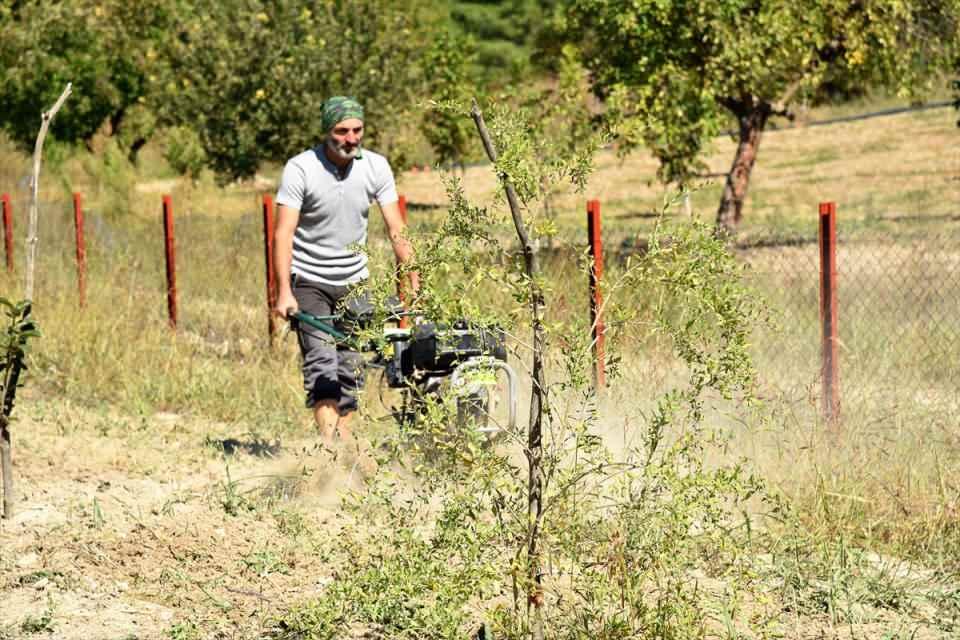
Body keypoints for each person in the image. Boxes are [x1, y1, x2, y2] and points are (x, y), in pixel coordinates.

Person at [273, 96, 417, 448]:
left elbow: (397, 229)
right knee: (322, 366)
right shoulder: (301, 168)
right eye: (342, 131)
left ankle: (341, 443)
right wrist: (283, 292)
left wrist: (412, 283)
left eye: (357, 130)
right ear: (327, 131)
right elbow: (283, 233)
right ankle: (334, 446)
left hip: (355, 283)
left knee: (351, 369)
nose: (351, 138)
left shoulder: (376, 167)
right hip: (309, 282)